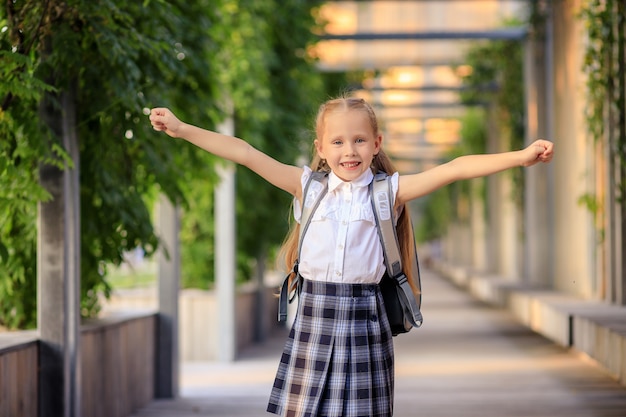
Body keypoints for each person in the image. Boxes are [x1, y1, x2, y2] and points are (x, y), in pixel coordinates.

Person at [149, 96, 554, 417]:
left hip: (365, 317)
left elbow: (454, 168)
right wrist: (182, 129)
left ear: (376, 144)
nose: (350, 151)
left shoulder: (387, 192)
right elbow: (245, 153)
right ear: (320, 149)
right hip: (314, 315)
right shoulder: (306, 187)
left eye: (360, 140)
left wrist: (519, 157)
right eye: (338, 141)